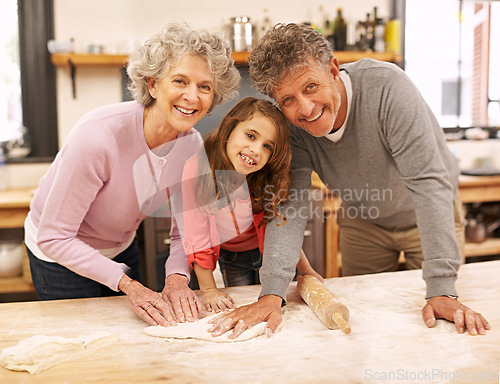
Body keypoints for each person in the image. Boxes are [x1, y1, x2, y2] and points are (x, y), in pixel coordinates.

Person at [206, 23, 490, 338]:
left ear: (333, 69)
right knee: (365, 326)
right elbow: (290, 205)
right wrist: (272, 293)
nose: (305, 108)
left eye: (311, 87)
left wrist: (442, 289)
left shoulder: (387, 89)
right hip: (362, 220)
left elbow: (428, 185)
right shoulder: (294, 129)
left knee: (435, 329)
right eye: (287, 99)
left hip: (425, 217)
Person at [24, 22, 240, 327]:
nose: (192, 96)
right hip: (59, 258)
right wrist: (129, 285)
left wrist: (177, 280)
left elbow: (185, 230)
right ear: (152, 84)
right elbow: (54, 237)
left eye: (204, 86)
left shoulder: (190, 146)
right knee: (84, 348)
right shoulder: (98, 137)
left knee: (130, 338)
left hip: (120, 248)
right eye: (180, 81)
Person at [171, 96, 322, 314]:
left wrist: (305, 271)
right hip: (232, 257)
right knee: (244, 308)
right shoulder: (197, 168)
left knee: (270, 307)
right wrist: (210, 290)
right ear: (230, 127)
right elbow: (197, 236)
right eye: (250, 136)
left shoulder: (267, 175)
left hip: (270, 252)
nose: (256, 150)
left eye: (267, 146)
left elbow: (282, 227)